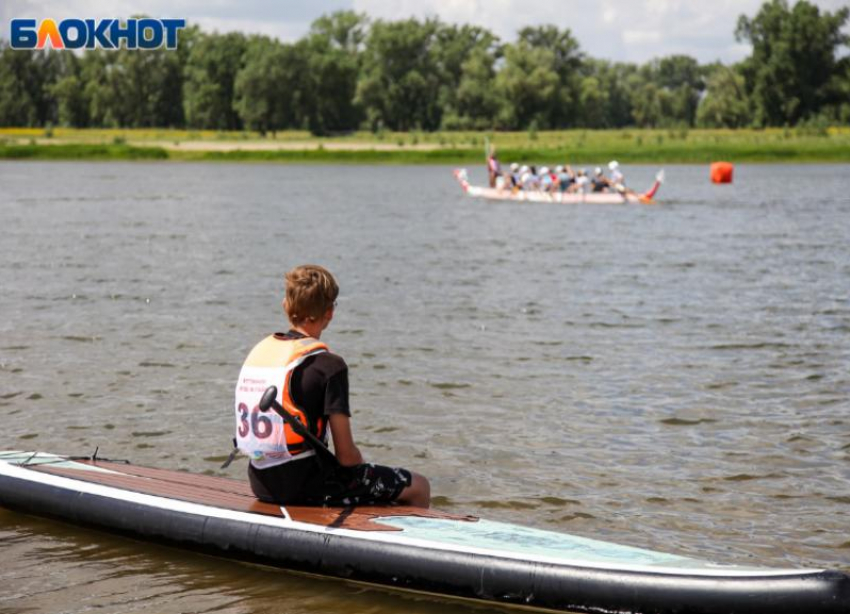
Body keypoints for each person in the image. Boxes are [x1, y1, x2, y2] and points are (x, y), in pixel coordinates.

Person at [234, 265, 431, 508]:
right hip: (307, 487)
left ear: (286, 305)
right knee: (419, 486)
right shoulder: (330, 366)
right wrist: (365, 468)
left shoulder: (261, 354)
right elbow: (347, 458)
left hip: (261, 482)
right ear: (329, 313)